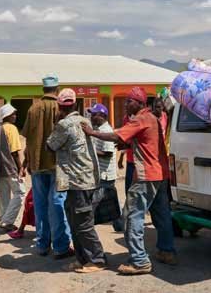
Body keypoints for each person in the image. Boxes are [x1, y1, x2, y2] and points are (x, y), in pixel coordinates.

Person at [81, 87, 176, 275]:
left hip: (146, 175)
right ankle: (167, 251)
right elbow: (141, 140)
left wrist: (91, 133)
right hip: (160, 174)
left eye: (129, 101)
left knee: (132, 217)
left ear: (140, 103)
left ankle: (139, 261)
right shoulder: (152, 118)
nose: (126, 105)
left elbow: (116, 135)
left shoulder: (140, 118)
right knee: (162, 215)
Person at [47, 89, 107, 273]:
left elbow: (50, 145)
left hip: (78, 181)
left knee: (82, 223)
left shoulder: (64, 125)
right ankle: (82, 259)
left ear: (59, 106)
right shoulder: (84, 120)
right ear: (75, 104)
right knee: (75, 222)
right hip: (84, 180)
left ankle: (97, 259)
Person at [21, 74, 72, 259]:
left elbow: (27, 138)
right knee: (58, 205)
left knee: (41, 206)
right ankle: (61, 246)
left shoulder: (33, 108)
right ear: (57, 89)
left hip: (36, 164)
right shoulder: (59, 108)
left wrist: (26, 161)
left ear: (43, 90)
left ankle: (43, 245)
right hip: (57, 165)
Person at [88, 103, 124, 232]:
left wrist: (90, 152)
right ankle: (119, 225)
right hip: (103, 173)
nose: (91, 117)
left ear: (102, 116)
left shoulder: (106, 131)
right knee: (112, 201)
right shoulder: (99, 129)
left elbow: (108, 154)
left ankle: (88, 224)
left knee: (95, 202)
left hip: (106, 174)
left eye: (93, 114)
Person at [0, 104, 26, 231]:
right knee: (20, 193)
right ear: (6, 116)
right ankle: (7, 221)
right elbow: (15, 152)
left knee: (4, 195)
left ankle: (3, 219)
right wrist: (21, 168)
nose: (15, 116)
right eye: (13, 114)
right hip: (10, 167)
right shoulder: (11, 128)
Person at [118, 114, 135, 195]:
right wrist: (121, 157)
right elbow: (125, 138)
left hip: (142, 161)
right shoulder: (126, 118)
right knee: (128, 188)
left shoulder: (143, 118)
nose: (126, 105)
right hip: (130, 160)